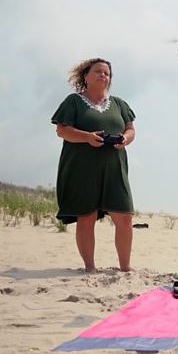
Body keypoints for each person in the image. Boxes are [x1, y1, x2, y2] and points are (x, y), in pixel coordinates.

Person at [51, 58, 136, 272]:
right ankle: (90, 267)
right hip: (82, 169)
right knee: (86, 217)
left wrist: (125, 139)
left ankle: (125, 268)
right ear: (85, 76)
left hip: (115, 169)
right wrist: (87, 137)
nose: (103, 76)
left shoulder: (119, 104)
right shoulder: (73, 102)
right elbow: (62, 130)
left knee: (125, 218)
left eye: (107, 73)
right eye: (98, 71)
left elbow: (131, 129)